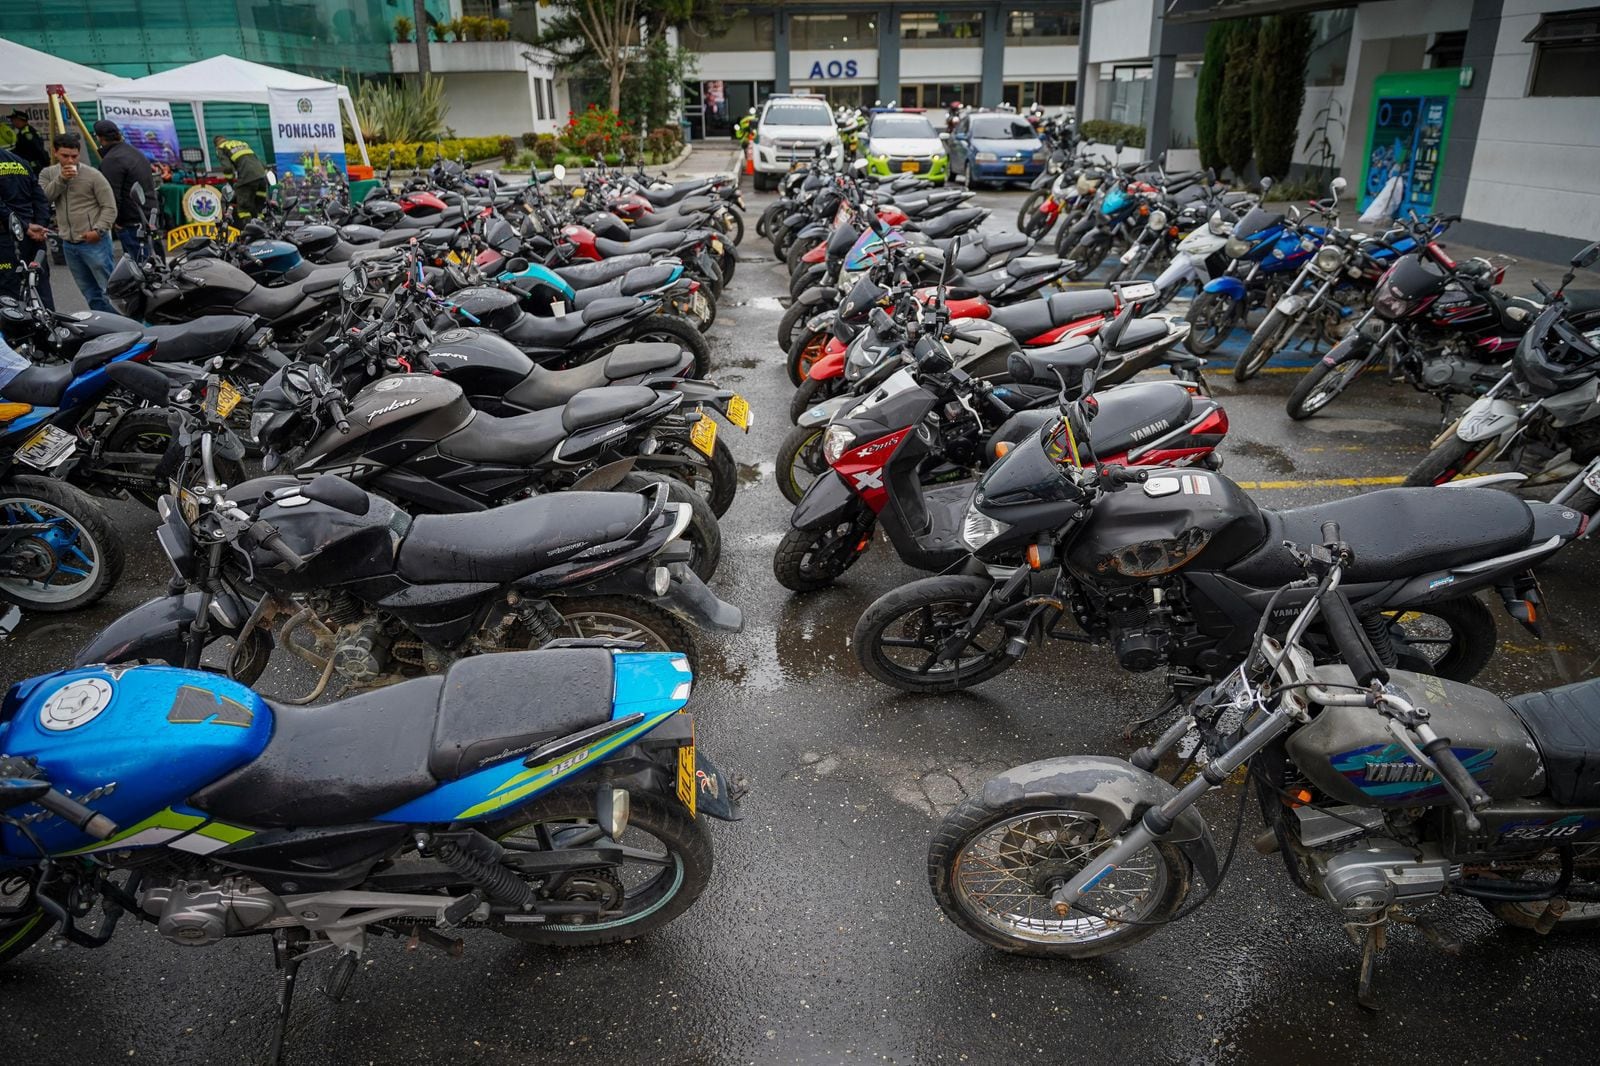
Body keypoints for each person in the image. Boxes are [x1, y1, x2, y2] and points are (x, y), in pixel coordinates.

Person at [38, 134, 117, 313]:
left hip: (94, 241)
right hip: (68, 243)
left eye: (74, 156)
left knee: (110, 290)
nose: (70, 160)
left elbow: (109, 207)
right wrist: (61, 179)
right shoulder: (48, 173)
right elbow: (43, 199)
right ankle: (103, 323)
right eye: (65, 156)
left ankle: (122, 324)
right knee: (89, 292)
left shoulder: (93, 175)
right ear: (55, 152)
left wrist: (98, 230)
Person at [0, 142, 55, 309]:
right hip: (34, 237)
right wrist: (39, 225)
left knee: (9, 296)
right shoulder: (19, 161)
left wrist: (24, 227)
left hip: (7, 239)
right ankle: (47, 324)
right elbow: (40, 198)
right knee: (39, 286)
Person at [93, 119, 157, 260]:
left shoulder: (112, 159)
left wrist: (115, 221)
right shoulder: (134, 152)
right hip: (148, 215)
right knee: (153, 264)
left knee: (139, 266)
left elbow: (111, 195)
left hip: (131, 222)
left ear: (99, 138)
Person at [212, 133, 268, 222]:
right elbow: (255, 159)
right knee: (259, 208)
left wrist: (232, 183)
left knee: (243, 209)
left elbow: (227, 168)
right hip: (262, 176)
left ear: (216, 145)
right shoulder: (242, 144)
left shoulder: (221, 148)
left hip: (247, 177)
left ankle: (250, 229)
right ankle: (263, 225)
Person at [6, 110, 49, 174]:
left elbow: (37, 149)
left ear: (19, 120)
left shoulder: (26, 133)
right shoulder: (23, 131)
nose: (12, 122)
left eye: (13, 120)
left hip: (33, 166)